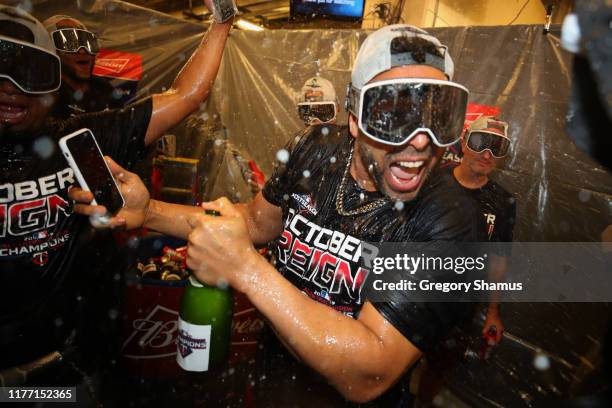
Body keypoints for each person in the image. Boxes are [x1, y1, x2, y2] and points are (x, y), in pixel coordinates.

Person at [71, 25, 480, 404]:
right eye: (394, 115)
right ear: (355, 119)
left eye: (437, 115)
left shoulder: (448, 216)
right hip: (272, 384)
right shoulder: (316, 148)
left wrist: (247, 270)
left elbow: (370, 372)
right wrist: (150, 212)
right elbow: (252, 224)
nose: (420, 142)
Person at [0, 2, 233, 381]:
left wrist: (222, 22)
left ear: (51, 80)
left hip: (61, 362)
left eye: (28, 71)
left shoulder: (78, 141)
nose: (10, 88)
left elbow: (187, 97)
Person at [450, 116, 516, 345]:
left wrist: (493, 312)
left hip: (462, 302)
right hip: (416, 290)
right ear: (464, 141)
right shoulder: (434, 181)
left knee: (439, 368)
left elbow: (499, 259)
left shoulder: (503, 202)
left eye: (497, 147)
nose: (487, 154)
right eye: (481, 143)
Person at [43, 15, 123, 119]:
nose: (82, 50)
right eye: (70, 43)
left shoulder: (105, 90)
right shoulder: (45, 96)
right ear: (51, 50)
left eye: (87, 43)